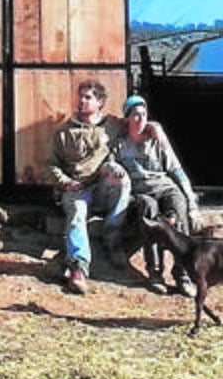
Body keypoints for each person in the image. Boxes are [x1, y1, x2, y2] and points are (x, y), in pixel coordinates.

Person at [46, 79, 132, 295]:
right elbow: (51, 164)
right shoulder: (64, 132)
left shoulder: (112, 125)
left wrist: (154, 127)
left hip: (102, 185)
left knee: (122, 180)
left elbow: (137, 122)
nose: (82, 101)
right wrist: (65, 182)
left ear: (100, 101)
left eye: (88, 97)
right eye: (80, 97)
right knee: (76, 215)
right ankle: (78, 267)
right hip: (77, 189)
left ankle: (112, 240)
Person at [114, 94, 201, 297]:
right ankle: (155, 273)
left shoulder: (156, 140)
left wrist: (192, 204)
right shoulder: (119, 144)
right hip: (140, 191)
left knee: (178, 210)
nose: (141, 119)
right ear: (127, 118)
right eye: (135, 115)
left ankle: (183, 274)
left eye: (144, 115)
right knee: (148, 211)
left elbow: (177, 171)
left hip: (165, 186)